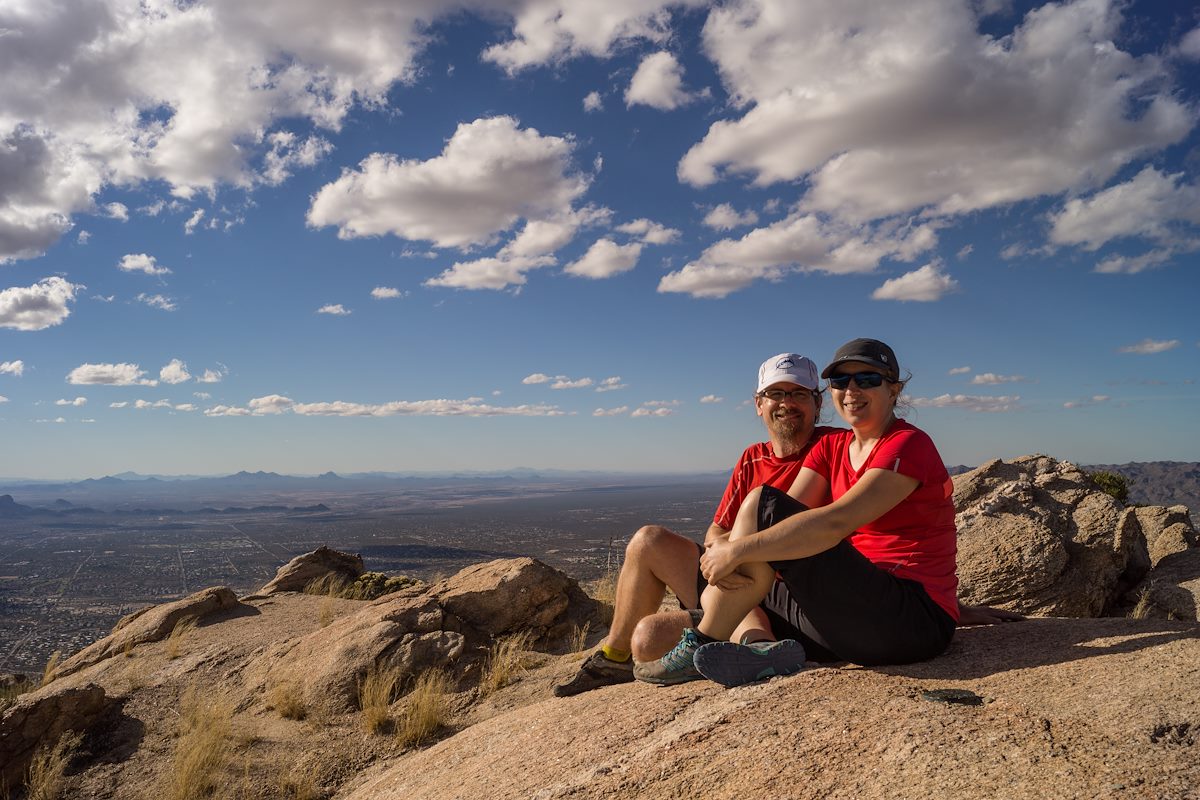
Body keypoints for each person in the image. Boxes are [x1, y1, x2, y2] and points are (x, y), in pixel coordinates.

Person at [637, 338, 1005, 689]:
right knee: (651, 638)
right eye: (840, 381)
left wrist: (735, 551)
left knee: (761, 504)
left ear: (894, 390)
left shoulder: (907, 444)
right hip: (850, 616)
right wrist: (741, 554)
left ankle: (703, 641)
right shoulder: (831, 447)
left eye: (867, 379)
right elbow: (787, 516)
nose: (851, 390)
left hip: (907, 620)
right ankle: (758, 650)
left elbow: (835, 521)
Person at [553, 353, 837, 696]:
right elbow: (715, 532)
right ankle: (614, 658)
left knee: (654, 637)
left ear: (817, 403)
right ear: (758, 404)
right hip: (738, 582)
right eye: (776, 394)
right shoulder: (752, 457)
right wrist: (725, 556)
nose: (786, 403)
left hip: (792, 596)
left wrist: (737, 549)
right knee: (647, 546)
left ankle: (757, 647)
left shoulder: (832, 448)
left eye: (798, 394)